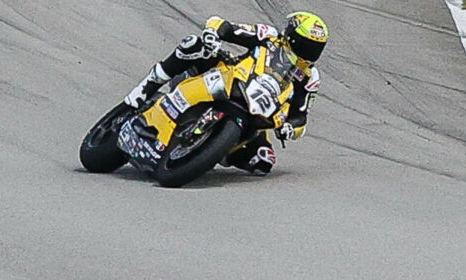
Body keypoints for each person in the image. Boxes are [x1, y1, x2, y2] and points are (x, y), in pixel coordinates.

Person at [119, 12, 327, 176]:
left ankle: (203, 152)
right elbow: (225, 26)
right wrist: (213, 34)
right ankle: (147, 87)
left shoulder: (309, 77)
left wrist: (291, 128)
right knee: (195, 45)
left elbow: (301, 115)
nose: (310, 52)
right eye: (306, 44)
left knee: (263, 162)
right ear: (291, 36)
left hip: (259, 111)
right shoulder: (269, 37)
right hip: (231, 77)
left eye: (316, 48)